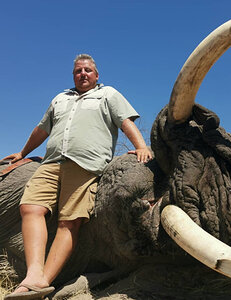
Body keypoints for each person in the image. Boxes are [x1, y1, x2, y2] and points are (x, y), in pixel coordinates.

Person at [2, 54, 152, 299]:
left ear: (96, 75)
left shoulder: (109, 95)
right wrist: (22, 152)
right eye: (78, 71)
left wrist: (142, 146)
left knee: (69, 220)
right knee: (30, 207)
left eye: (87, 70)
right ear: (73, 75)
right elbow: (42, 129)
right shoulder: (60, 98)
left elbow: (124, 121)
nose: (83, 74)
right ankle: (34, 273)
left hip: (85, 164)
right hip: (51, 162)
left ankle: (41, 282)